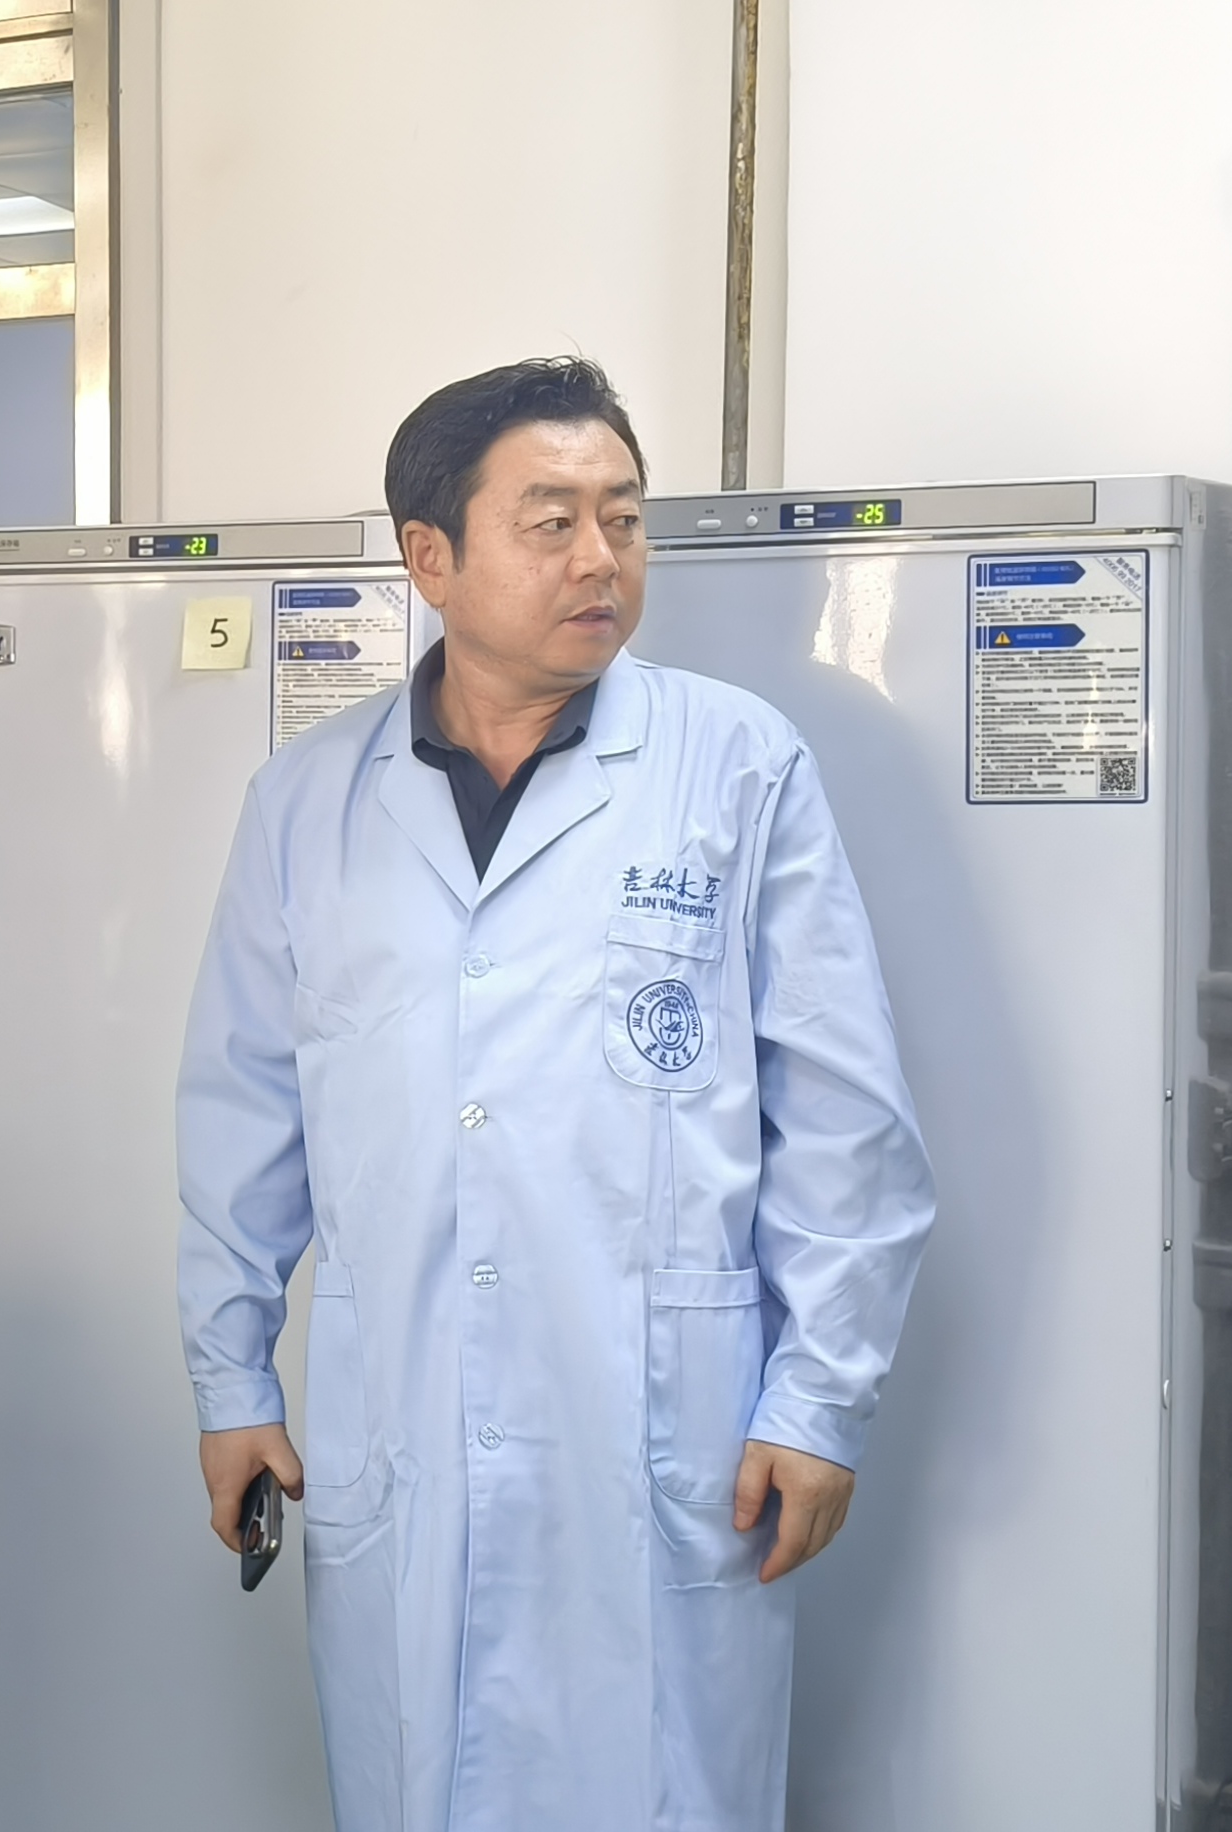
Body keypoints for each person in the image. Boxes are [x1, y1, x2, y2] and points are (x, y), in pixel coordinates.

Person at [178, 356, 939, 1830]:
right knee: (420, 1772)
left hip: (660, 1429)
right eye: (552, 522)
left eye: (624, 519)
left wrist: (820, 1401)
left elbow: (846, 1120)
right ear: (431, 559)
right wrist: (231, 1379)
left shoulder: (735, 765)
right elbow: (242, 1115)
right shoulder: (307, 803)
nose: (601, 558)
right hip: (403, 1408)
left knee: (657, 1782)